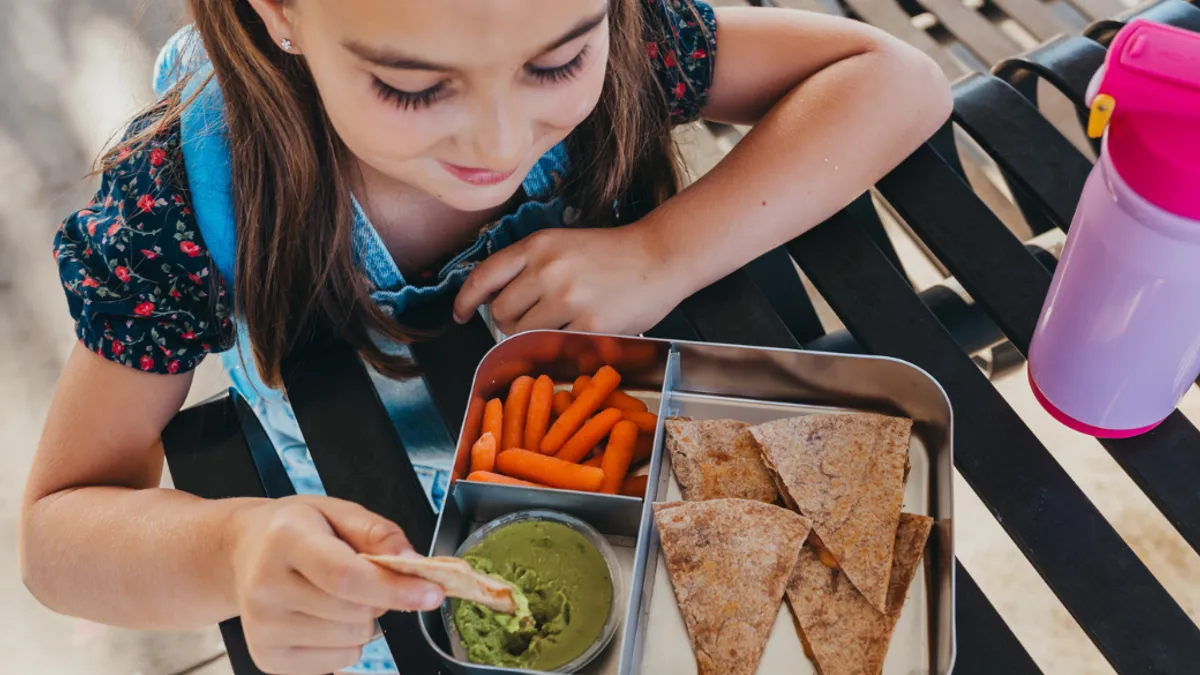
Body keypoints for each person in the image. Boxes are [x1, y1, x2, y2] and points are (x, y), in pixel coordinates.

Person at [20, 1, 950, 673]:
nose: (500, 142)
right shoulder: (177, 205)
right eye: (411, 87)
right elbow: (58, 531)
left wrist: (662, 252)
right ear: (281, 13)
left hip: (672, 485)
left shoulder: (622, 32)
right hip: (405, 584)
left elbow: (897, 80)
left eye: (555, 66)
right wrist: (234, 550)